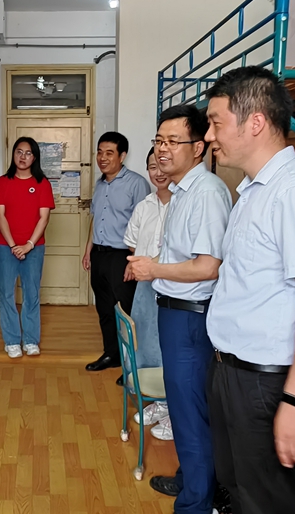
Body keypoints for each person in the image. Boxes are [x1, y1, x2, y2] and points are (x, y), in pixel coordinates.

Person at [205, 66, 295, 514]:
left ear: (255, 122)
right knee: (237, 490)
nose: (208, 136)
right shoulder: (253, 191)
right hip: (232, 371)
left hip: (266, 384)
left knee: (269, 502)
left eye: (215, 123)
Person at [128, 105, 232, 514]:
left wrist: (153, 269)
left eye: (173, 141)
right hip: (175, 311)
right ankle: (191, 481)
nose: (163, 149)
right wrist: (154, 265)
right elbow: (185, 256)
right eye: (159, 141)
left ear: (199, 146)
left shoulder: (205, 193)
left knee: (189, 412)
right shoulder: (184, 192)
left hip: (190, 315)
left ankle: (195, 503)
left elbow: (208, 266)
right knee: (184, 405)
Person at [83, 132, 150, 379]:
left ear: (122, 156)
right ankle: (111, 354)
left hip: (123, 257)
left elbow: (145, 224)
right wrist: (88, 250)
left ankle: (132, 365)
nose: (102, 157)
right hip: (100, 255)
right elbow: (95, 219)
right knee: (104, 309)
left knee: (126, 312)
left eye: (109, 153)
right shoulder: (100, 184)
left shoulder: (136, 184)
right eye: (100, 152)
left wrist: (136, 261)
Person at [123, 147, 172, 441]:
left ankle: (173, 407)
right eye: (152, 166)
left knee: (169, 346)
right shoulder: (144, 206)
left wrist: (158, 265)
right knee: (145, 343)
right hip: (145, 286)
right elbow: (131, 241)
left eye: (162, 165)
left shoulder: (184, 203)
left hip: (174, 285)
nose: (158, 172)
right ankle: (159, 401)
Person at [0, 137, 55, 358]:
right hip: (5, 247)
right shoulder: (2, 182)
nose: (23, 157)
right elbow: (0, 216)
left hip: (34, 248)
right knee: (6, 294)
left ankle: (30, 340)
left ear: (34, 158)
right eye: (19, 152)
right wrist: (13, 245)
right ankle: (11, 341)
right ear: (13, 154)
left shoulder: (42, 183)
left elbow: (44, 218)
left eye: (28, 153)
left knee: (31, 293)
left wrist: (28, 245)